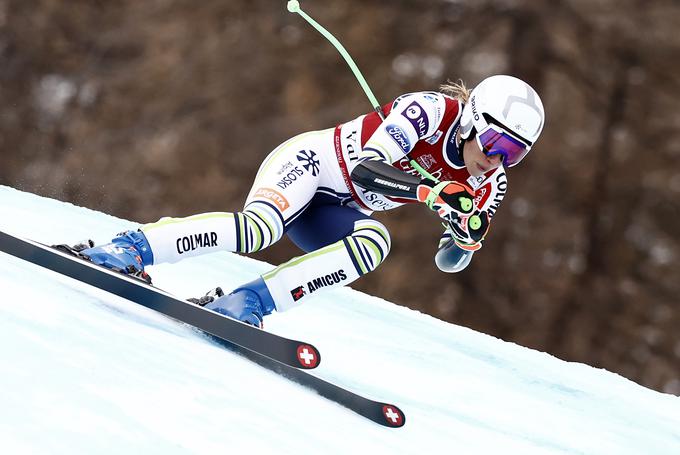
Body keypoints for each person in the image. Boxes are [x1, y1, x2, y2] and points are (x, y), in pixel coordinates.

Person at [73, 74, 545, 327]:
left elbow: (448, 264)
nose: (498, 159)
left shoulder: (491, 183)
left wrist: (463, 240)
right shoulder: (428, 112)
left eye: (515, 154)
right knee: (258, 229)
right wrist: (433, 192)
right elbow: (366, 169)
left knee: (375, 242)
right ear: (470, 121)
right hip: (312, 166)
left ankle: (247, 303)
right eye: (496, 143)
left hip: (336, 211)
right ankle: (129, 248)